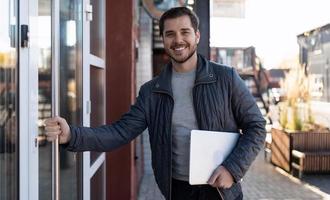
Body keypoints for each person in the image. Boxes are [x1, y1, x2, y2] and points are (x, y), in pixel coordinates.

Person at [45, 7, 266, 200]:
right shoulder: (152, 91)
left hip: (222, 190)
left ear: (197, 35)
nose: (178, 40)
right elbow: (120, 132)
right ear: (163, 39)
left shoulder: (226, 78)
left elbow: (256, 127)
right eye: (170, 34)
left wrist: (232, 168)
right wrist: (72, 135)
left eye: (185, 32)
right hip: (177, 190)